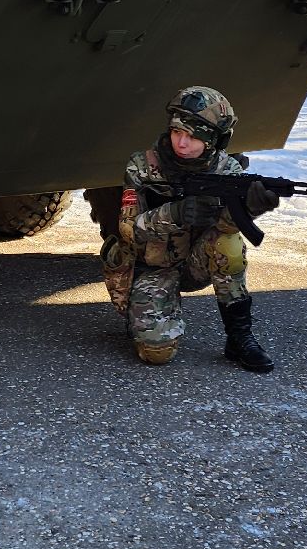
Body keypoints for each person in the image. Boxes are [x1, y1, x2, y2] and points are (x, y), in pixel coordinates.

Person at [100, 87, 284, 371]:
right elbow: (127, 229)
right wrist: (174, 213)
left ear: (213, 140)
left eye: (193, 136)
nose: (181, 143)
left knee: (229, 243)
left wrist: (250, 208)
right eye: (176, 132)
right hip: (153, 266)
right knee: (156, 353)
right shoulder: (143, 166)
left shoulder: (227, 170)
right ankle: (150, 314)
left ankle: (240, 337)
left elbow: (225, 227)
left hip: (196, 262)